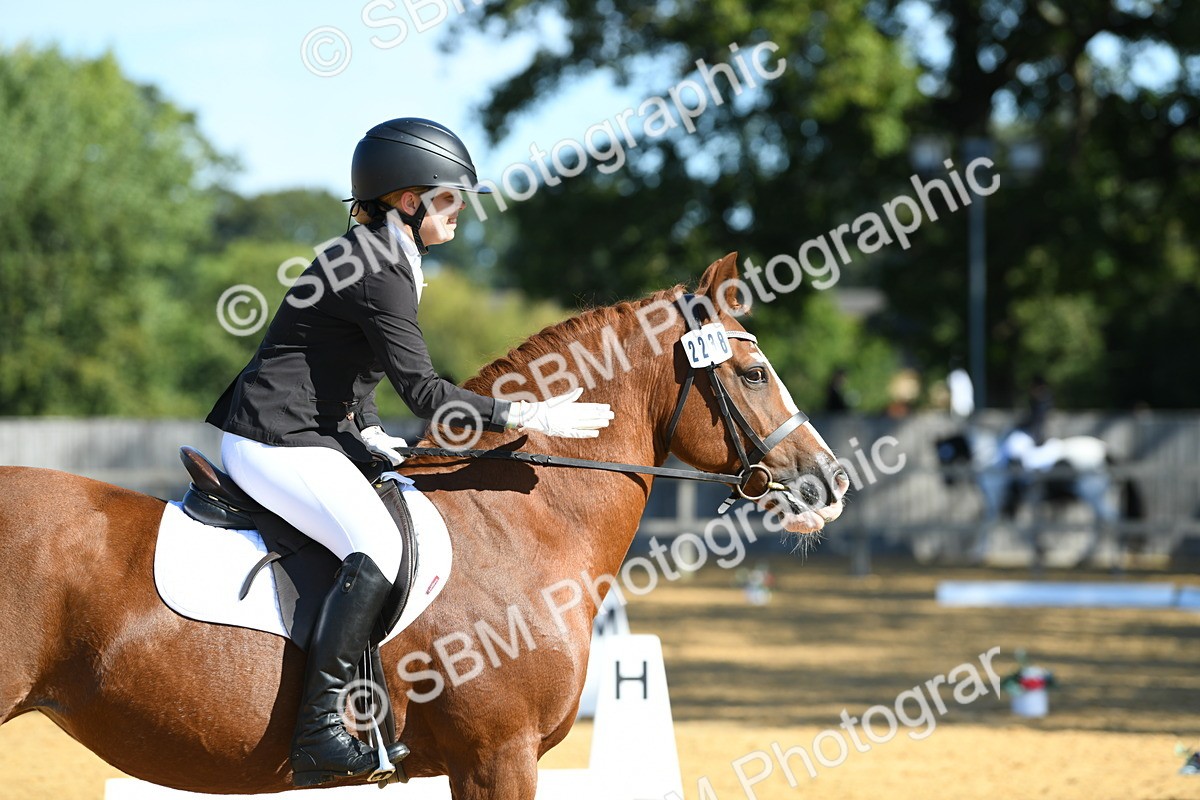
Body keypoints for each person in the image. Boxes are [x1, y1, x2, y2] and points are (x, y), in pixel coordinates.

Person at [205, 118, 614, 787]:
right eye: (449, 199)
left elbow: (347, 369)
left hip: (310, 430)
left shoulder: (381, 255)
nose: (459, 213)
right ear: (407, 199)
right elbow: (423, 392)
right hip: (271, 437)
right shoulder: (377, 267)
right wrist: (528, 412)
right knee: (377, 547)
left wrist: (370, 433)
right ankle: (322, 730)